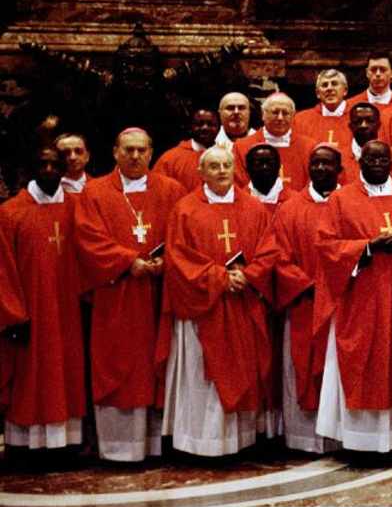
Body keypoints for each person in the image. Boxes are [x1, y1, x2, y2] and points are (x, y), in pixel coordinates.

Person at [317, 141, 392, 453]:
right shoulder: (341, 199)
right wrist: (367, 247)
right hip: (362, 298)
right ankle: (362, 441)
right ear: (359, 162)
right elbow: (327, 246)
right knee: (364, 361)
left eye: (383, 158)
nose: (378, 163)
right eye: (371, 158)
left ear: (391, 161)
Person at [76, 128, 185, 461]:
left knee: (158, 362)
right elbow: (87, 238)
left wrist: (168, 260)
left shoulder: (171, 190)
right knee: (119, 363)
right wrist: (128, 261)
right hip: (118, 295)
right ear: (114, 152)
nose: (135, 156)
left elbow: (185, 231)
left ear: (151, 152)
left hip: (159, 294)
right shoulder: (93, 192)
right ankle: (119, 448)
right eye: (128, 150)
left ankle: (156, 444)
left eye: (141, 150)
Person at [162, 146, 274, 456]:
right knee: (203, 375)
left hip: (241, 304)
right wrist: (219, 277)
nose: (222, 171)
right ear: (201, 173)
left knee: (242, 369)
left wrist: (248, 275)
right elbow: (177, 258)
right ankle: (202, 442)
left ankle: (239, 441)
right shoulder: (185, 209)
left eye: (226, 165)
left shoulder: (253, 208)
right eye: (214, 166)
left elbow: (269, 250)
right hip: (204, 308)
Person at [253, 145, 343, 455]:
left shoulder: (349, 204)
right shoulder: (290, 208)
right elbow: (276, 254)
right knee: (300, 365)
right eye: (315, 164)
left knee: (337, 368)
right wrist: (306, 285)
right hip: (304, 301)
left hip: (342, 306)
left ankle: (339, 434)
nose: (320, 169)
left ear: (339, 169)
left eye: (327, 164)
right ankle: (304, 438)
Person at [0, 147, 85, 454]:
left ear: (65, 169)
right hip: (30, 311)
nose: (49, 169)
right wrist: (11, 314)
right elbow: (2, 268)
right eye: (42, 163)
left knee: (68, 371)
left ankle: (67, 443)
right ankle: (28, 444)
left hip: (70, 310)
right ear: (29, 168)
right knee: (33, 376)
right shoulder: (11, 212)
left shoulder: (77, 207)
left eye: (55, 164)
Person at [237, 93, 313, 193]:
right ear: (263, 114)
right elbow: (239, 186)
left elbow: (312, 185)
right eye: (275, 112)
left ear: (293, 116)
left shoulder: (308, 147)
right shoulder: (242, 147)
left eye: (285, 113)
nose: (280, 118)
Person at [154, 107, 223, 192]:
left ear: (219, 128)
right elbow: (157, 191)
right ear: (190, 127)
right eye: (199, 124)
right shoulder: (170, 159)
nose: (205, 128)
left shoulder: (227, 156)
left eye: (210, 124)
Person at [294, 68, 351, 146]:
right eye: (325, 85)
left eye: (334, 84)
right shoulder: (300, 120)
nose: (329, 88)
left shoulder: (357, 118)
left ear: (345, 90)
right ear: (317, 93)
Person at [362, 52, 392, 120]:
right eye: (373, 69)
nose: (378, 74)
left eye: (383, 69)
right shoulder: (351, 106)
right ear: (367, 72)